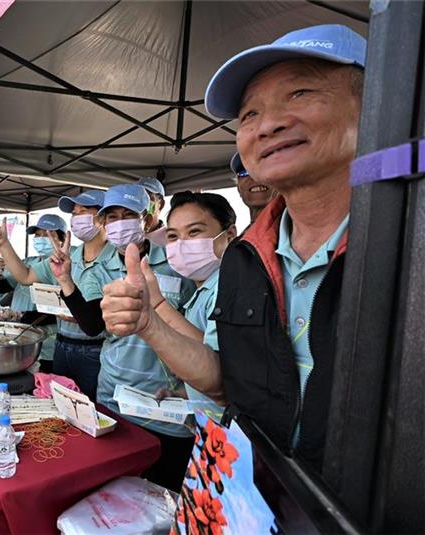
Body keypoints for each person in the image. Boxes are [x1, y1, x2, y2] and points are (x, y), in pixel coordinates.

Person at [101, 24, 365, 473]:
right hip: (245, 487)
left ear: (375, 106)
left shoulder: (405, 253)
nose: (269, 124)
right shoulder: (248, 258)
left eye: (300, 92)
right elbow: (228, 383)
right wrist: (151, 323)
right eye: (249, 114)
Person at [52, 184, 196, 490]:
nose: (120, 224)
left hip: (166, 405)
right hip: (114, 398)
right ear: (103, 224)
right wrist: (65, 280)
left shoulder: (177, 263)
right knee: (112, 489)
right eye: (112, 217)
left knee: (162, 493)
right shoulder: (101, 268)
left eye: (128, 215)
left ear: (147, 219)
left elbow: (198, 333)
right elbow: (93, 325)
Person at [0, 192, 115, 399]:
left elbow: (102, 320)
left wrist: (76, 314)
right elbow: (25, 276)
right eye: (74, 213)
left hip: (95, 350)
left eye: (83, 211)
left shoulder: (115, 260)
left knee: (89, 407)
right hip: (62, 345)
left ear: (102, 217)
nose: (76, 217)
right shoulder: (67, 257)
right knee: (58, 404)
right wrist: (4, 244)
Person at [155, 191, 238, 420]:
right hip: (208, 426)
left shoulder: (229, 287)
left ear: (229, 235)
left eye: (194, 232)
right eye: (173, 236)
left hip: (230, 429)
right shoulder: (203, 289)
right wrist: (183, 395)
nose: (181, 245)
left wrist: (157, 304)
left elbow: (216, 368)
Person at [0, 214, 67, 372]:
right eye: (38, 235)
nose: (40, 238)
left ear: (62, 239)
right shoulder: (28, 262)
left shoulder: (66, 267)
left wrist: (23, 316)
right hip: (19, 337)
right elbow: (5, 287)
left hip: (47, 343)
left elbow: (64, 307)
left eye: (47, 234)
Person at [231, 152, 277, 226]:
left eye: (263, 170)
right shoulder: (247, 233)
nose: (254, 177)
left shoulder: (295, 227)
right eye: (245, 172)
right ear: (238, 189)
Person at [136, 177, 169, 246]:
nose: (142, 202)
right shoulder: (126, 234)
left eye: (148, 197)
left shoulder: (170, 238)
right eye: (137, 197)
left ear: (161, 204)